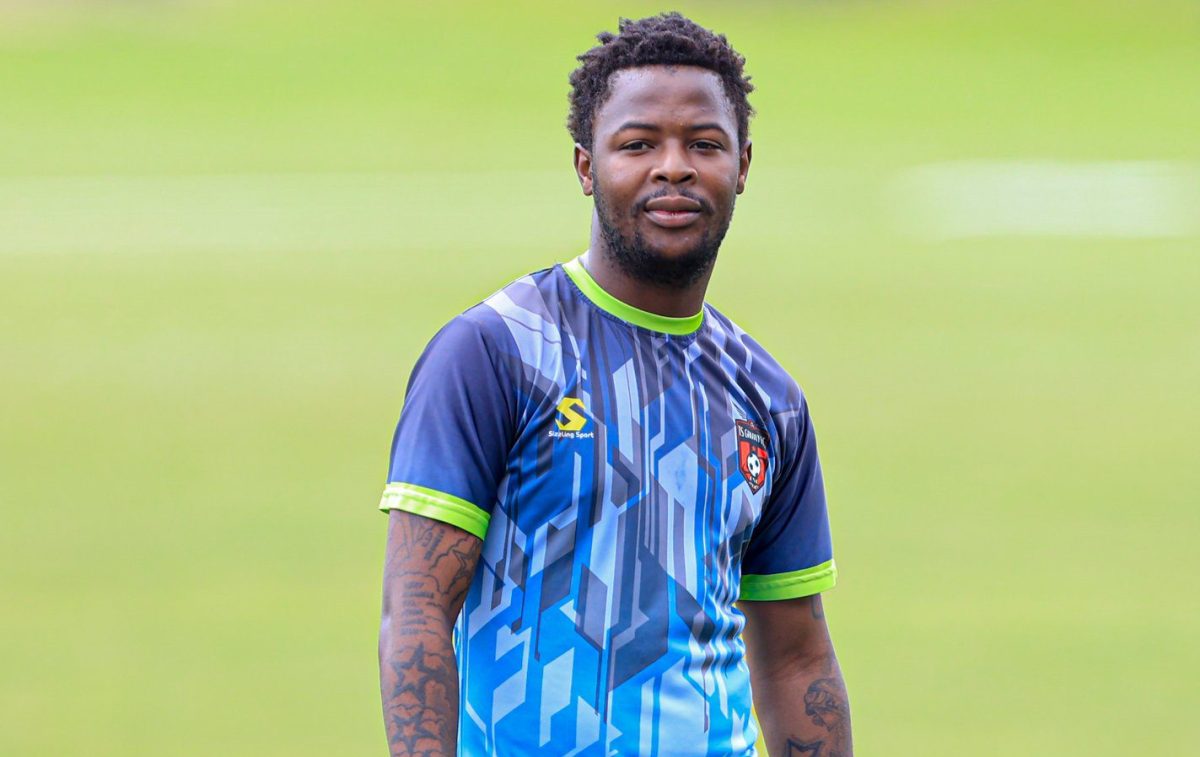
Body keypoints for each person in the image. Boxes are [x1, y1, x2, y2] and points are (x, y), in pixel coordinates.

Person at [378, 12, 852, 757]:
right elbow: (416, 613)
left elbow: (797, 659)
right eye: (638, 144)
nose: (674, 167)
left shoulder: (770, 398)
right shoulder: (494, 352)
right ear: (585, 167)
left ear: (743, 165)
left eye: (704, 144)